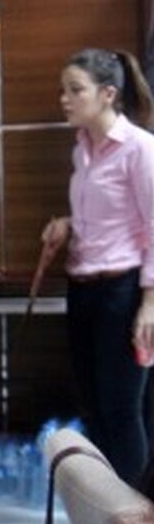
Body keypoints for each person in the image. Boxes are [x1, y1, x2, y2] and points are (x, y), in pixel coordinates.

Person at [42, 48, 154, 487]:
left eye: (75, 90)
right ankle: (106, 506)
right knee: (92, 407)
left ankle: (135, 511)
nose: (64, 99)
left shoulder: (140, 148)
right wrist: (68, 225)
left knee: (121, 410)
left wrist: (149, 304)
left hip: (123, 292)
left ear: (108, 94)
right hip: (83, 287)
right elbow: (112, 213)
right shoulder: (82, 150)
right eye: (63, 90)